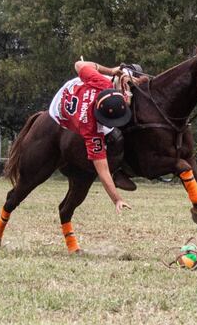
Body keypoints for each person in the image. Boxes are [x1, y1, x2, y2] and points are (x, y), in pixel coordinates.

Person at [48, 59, 135, 214]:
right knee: (114, 136)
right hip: (60, 110)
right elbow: (103, 170)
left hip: (78, 88)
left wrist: (111, 71)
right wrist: (116, 199)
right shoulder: (90, 129)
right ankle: (119, 169)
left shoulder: (103, 83)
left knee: (129, 72)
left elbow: (78, 64)